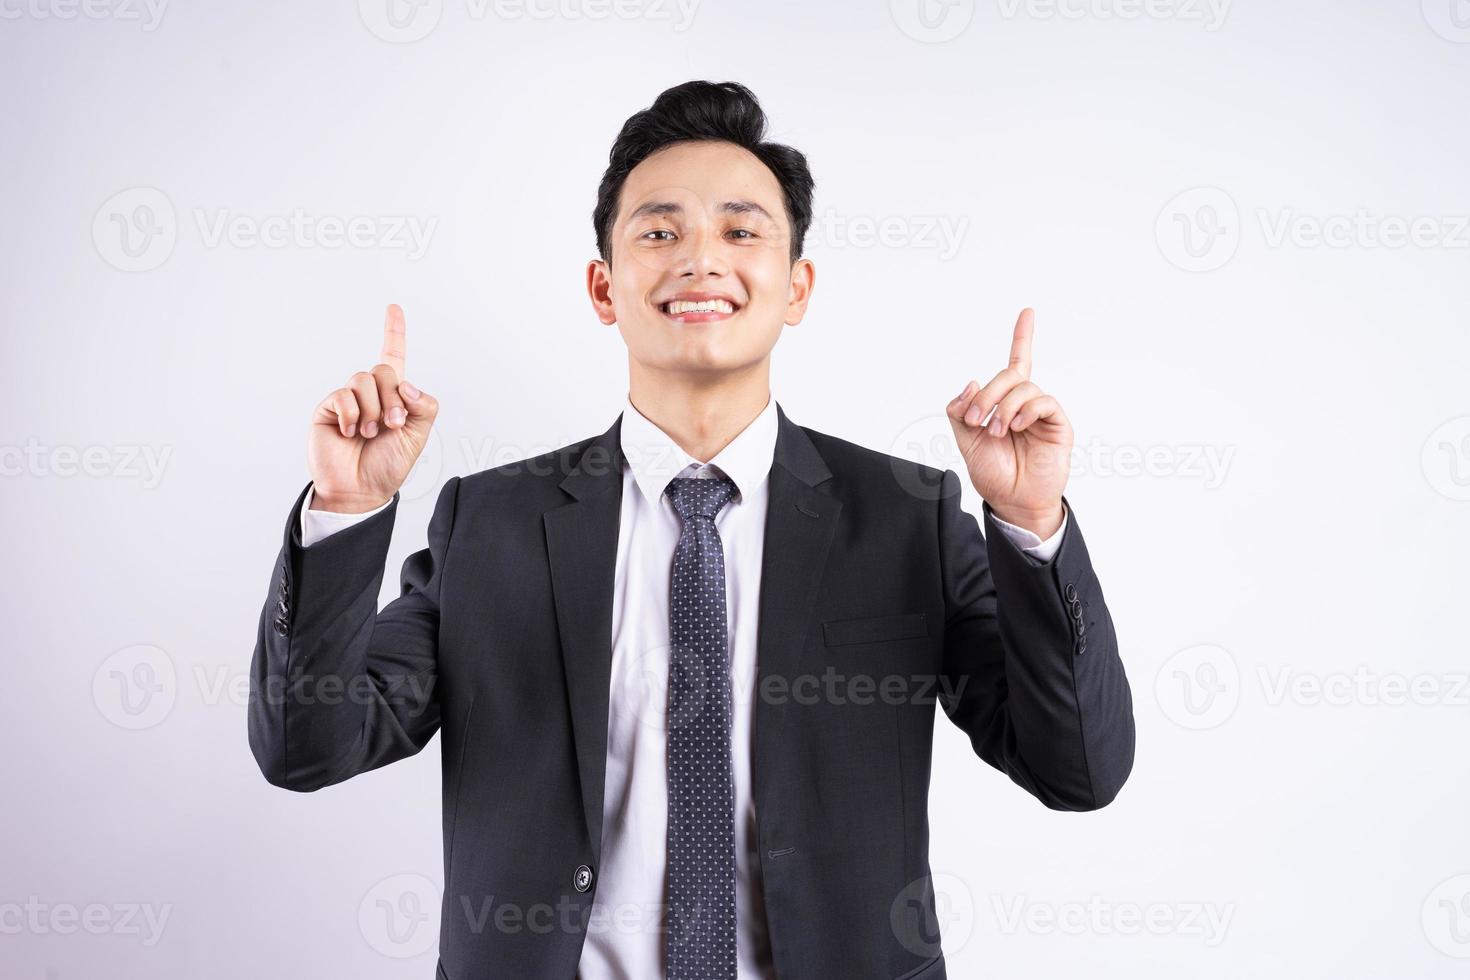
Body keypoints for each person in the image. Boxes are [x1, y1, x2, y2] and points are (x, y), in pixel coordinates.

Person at [248, 79, 1134, 980]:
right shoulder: (493, 523)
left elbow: (1079, 771)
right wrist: (348, 511)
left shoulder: (907, 517)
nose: (701, 260)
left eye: (741, 231)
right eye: (661, 232)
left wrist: (1030, 523)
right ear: (604, 286)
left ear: (797, 287)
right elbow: (306, 749)